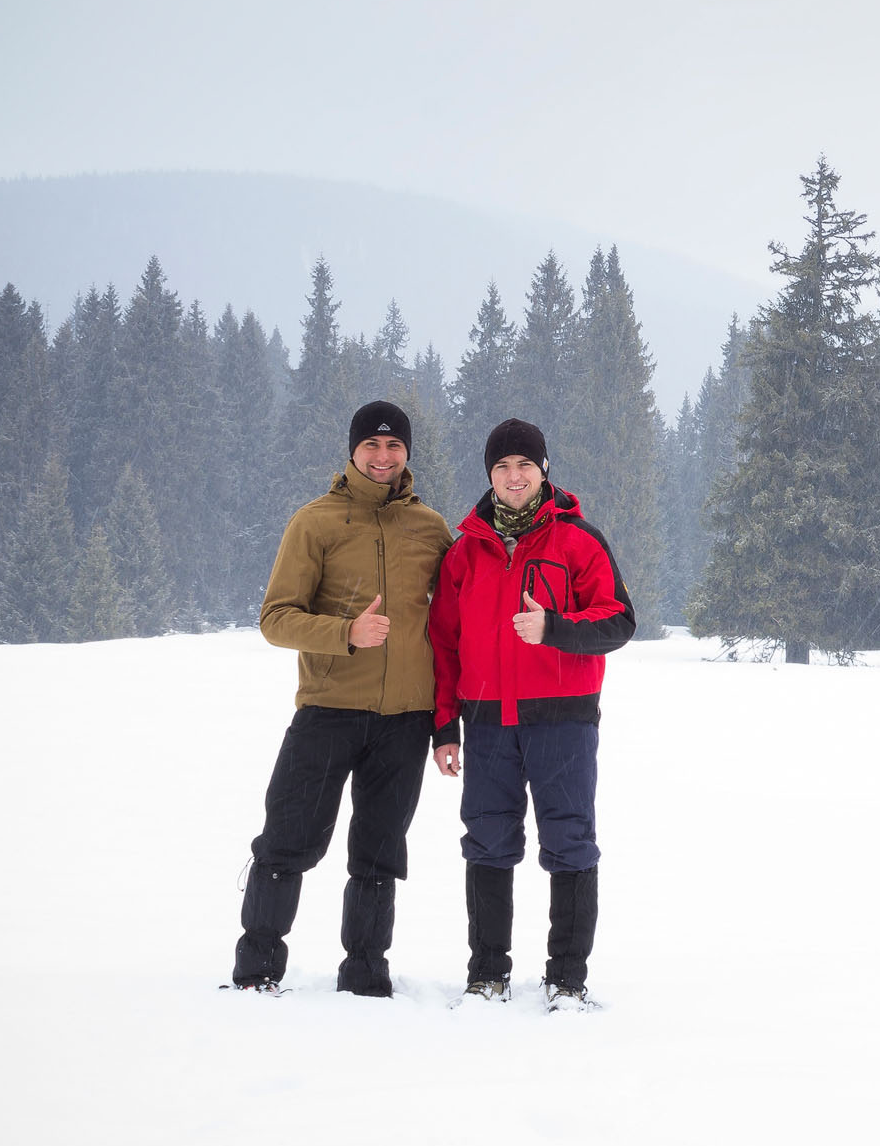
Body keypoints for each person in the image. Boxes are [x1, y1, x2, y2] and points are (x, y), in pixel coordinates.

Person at [232, 401, 452, 997]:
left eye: (395, 447)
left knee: (380, 852)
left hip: (405, 719)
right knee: (287, 839)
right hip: (328, 710)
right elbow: (275, 619)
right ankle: (257, 970)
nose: (383, 458)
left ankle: (365, 972)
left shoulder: (431, 529)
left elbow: (452, 624)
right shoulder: (316, 522)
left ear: (408, 453)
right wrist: (345, 634)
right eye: (372, 447)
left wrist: (445, 722)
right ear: (353, 451)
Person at [428, 419, 636, 1011]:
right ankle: (487, 974)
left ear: (544, 470)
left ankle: (567, 980)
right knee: (488, 842)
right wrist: (446, 725)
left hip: (564, 720)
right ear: (489, 475)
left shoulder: (578, 541)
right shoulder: (467, 551)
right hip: (487, 721)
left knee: (569, 841)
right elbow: (442, 642)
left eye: (525, 465)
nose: (513, 477)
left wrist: (554, 630)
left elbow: (619, 621)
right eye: (502, 467)